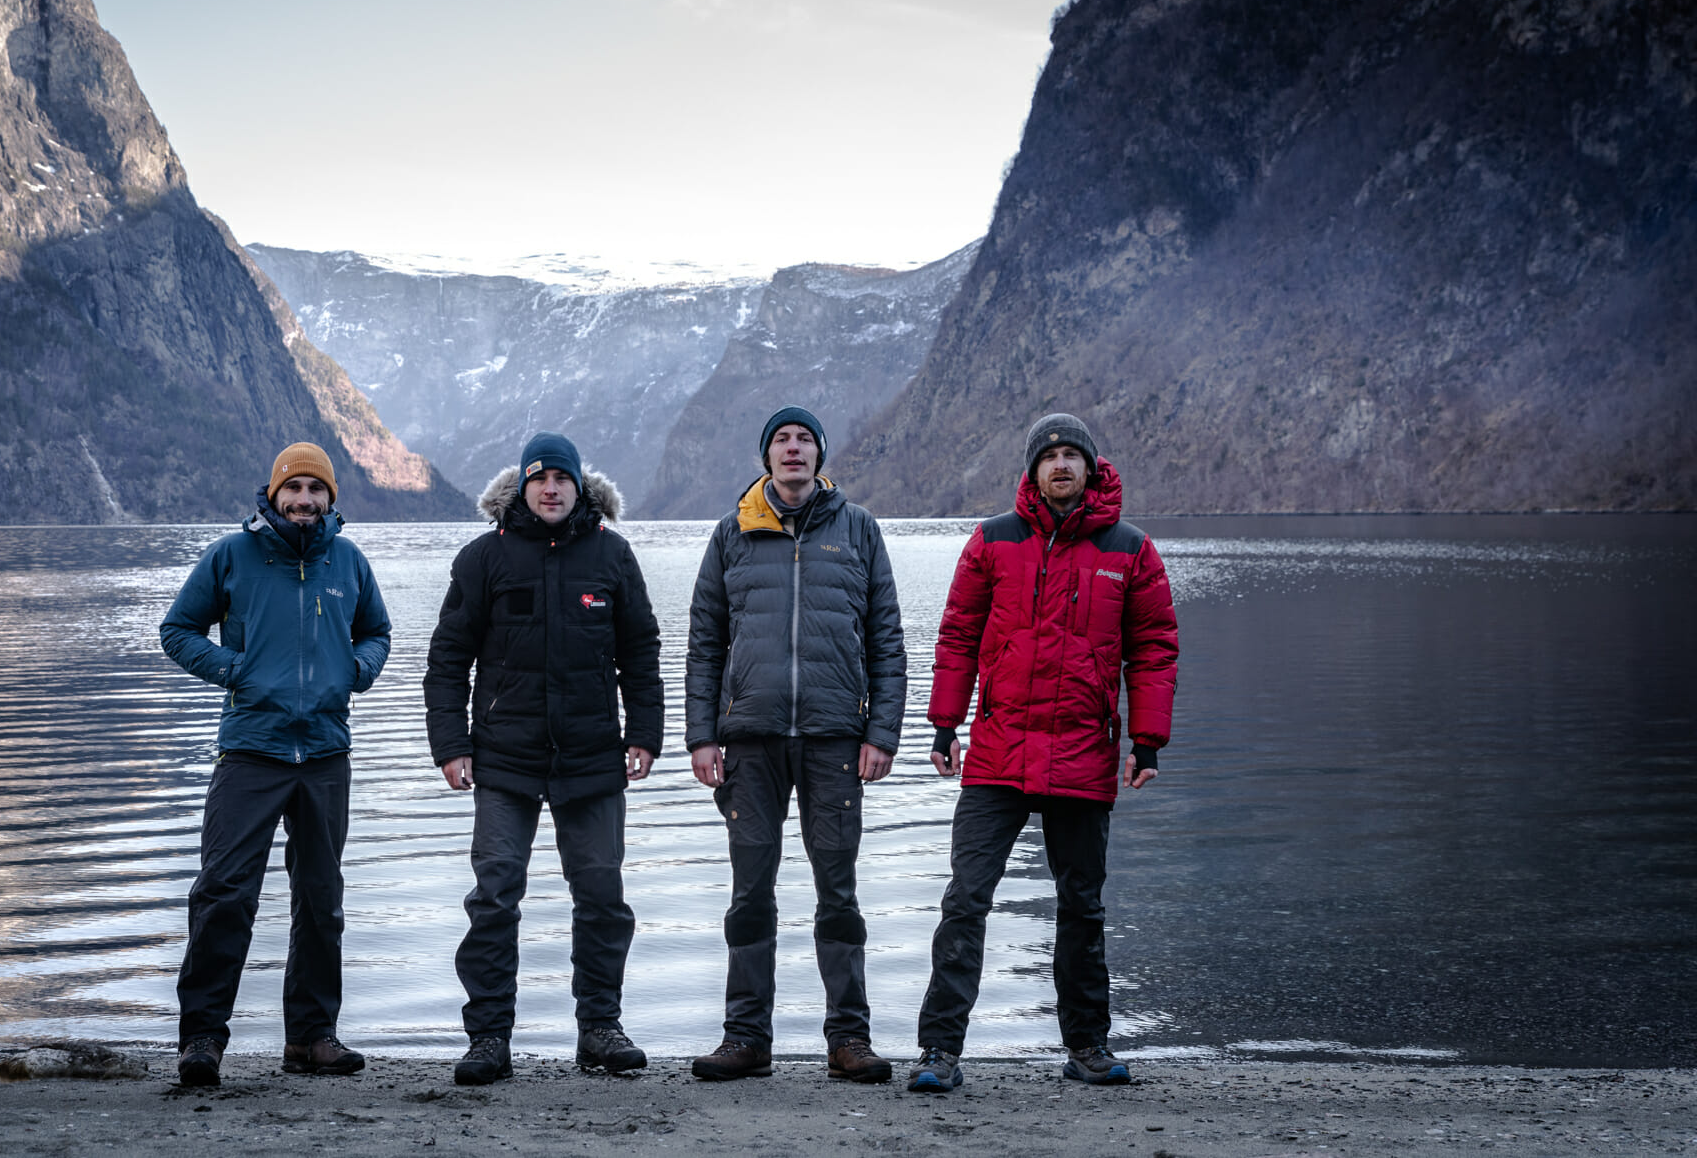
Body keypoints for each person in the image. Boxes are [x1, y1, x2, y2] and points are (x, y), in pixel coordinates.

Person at [906, 413, 1178, 1094]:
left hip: (1084, 755)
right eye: (1048, 454)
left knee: (1081, 905)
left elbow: (1153, 649)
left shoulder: (1130, 549)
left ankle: (1087, 1045)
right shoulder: (994, 540)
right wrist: (945, 723)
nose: (1060, 464)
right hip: (998, 753)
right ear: (1032, 470)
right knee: (965, 898)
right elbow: (958, 634)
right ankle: (940, 1049)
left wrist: (1147, 739)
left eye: (1071, 454)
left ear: (1090, 466)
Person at [425, 432, 665, 1086]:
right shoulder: (483, 559)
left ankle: (600, 1029)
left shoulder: (612, 556)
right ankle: (488, 1038)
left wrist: (644, 733)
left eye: (562, 478)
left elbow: (641, 653)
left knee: (602, 898)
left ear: (580, 486)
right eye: (540, 478)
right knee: (495, 896)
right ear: (522, 487)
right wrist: (450, 745)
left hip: (592, 761)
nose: (551, 488)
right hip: (503, 761)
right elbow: (447, 661)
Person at [684, 405, 907, 1083]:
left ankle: (849, 1038)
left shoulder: (859, 529)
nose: (792, 449)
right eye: (781, 439)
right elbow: (703, 643)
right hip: (748, 741)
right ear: (766, 456)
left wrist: (883, 731)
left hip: (835, 738)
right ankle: (746, 1036)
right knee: (750, 891)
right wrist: (701, 733)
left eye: (803, 439)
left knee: (837, 890)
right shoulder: (732, 534)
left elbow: (887, 640)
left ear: (819, 455)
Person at [159, 440, 393, 1086]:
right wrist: (236, 670)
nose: (305, 501)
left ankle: (311, 1037)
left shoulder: (347, 559)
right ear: (274, 493)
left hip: (324, 751)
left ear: (330, 499)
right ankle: (202, 1038)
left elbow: (377, 631)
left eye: (317, 491)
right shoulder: (230, 556)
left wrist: (357, 670)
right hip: (251, 749)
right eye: (295, 489)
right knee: (224, 893)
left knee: (321, 900)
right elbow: (178, 630)